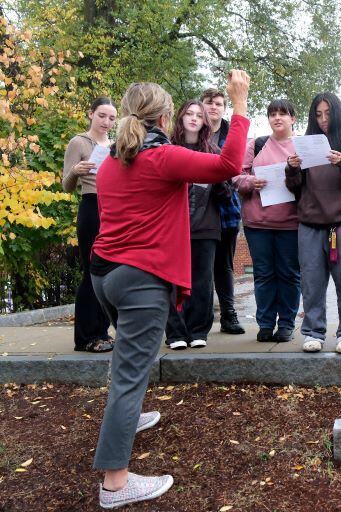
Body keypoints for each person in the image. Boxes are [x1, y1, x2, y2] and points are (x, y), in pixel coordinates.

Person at [89, 70, 250, 508]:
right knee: (128, 376)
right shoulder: (161, 157)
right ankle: (116, 484)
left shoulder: (111, 162)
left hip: (104, 276)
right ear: (163, 115)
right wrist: (238, 104)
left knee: (127, 365)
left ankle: (129, 417)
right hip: (141, 280)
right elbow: (228, 167)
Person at [285, 92, 341, 354]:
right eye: (318, 114)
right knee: (311, 280)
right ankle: (313, 332)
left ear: (338, 114)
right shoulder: (305, 144)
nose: (322, 119)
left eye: (328, 113)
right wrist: (293, 169)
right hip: (310, 222)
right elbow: (294, 188)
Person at [164, 100, 231, 350]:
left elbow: (226, 194)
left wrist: (222, 182)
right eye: (189, 114)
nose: (193, 118)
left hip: (206, 225)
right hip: (173, 228)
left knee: (202, 280)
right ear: (180, 118)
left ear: (205, 121)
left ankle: (199, 330)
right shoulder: (168, 149)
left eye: (198, 115)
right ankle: (175, 333)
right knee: (172, 280)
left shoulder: (212, 151)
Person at [236, 99, 300, 343]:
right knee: (263, 274)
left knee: (289, 274)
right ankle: (264, 324)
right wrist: (249, 182)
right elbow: (236, 174)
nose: (277, 118)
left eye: (283, 113)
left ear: (293, 118)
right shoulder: (257, 144)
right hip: (257, 223)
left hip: (291, 222)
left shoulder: (300, 147)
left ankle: (286, 324)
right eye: (272, 113)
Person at [62, 97, 117, 353]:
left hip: (114, 209)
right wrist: (76, 170)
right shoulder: (78, 142)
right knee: (91, 271)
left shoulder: (116, 146)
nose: (107, 122)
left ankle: (103, 332)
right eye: (102, 116)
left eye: (112, 118)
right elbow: (66, 185)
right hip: (91, 206)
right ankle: (85, 338)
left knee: (107, 272)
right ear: (91, 114)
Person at [202, 88, 245, 335]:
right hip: (198, 208)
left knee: (224, 264)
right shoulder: (192, 130)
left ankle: (229, 314)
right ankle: (202, 317)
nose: (214, 107)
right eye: (209, 103)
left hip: (226, 206)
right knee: (201, 265)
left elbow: (239, 168)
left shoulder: (232, 134)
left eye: (219, 103)